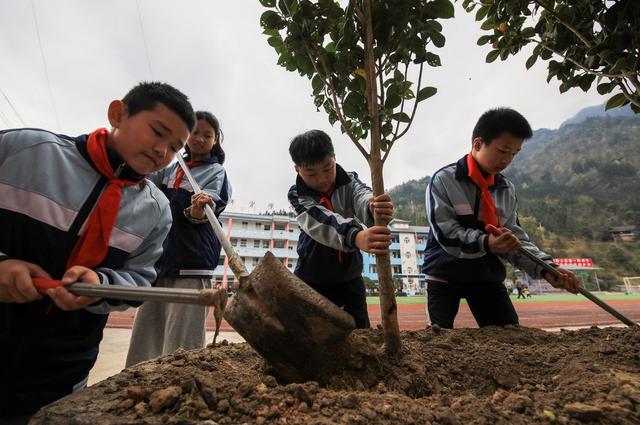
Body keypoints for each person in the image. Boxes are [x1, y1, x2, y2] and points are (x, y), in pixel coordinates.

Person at [0, 81, 195, 422]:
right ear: (118, 113)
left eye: (175, 147)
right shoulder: (25, 150)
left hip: (62, 370)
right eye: (158, 131)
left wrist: (99, 284)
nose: (162, 151)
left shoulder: (156, 211)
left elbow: (139, 280)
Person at [422, 107, 580, 329]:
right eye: (503, 150)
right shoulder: (443, 181)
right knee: (438, 340)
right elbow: (446, 234)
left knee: (512, 339)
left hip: (486, 278)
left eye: (515, 153)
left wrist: (547, 270)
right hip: (444, 275)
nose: (507, 160)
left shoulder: (506, 189)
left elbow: (515, 240)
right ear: (478, 144)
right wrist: (487, 242)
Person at [126, 111, 231, 367]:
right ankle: (138, 385)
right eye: (195, 132)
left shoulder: (217, 172)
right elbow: (143, 187)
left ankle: (184, 388)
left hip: (192, 264)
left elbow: (207, 207)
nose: (199, 139)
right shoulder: (170, 169)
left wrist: (196, 210)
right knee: (146, 334)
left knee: (183, 343)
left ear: (216, 140)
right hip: (159, 261)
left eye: (207, 135)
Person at [287, 129, 394, 329]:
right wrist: (354, 236)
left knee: (360, 331)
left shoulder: (350, 181)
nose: (322, 179)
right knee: (308, 332)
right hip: (311, 277)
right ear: (297, 170)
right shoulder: (297, 195)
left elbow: (362, 196)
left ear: (335, 158)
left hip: (350, 276)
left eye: (328, 168)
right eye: (311, 173)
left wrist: (374, 208)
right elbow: (320, 221)